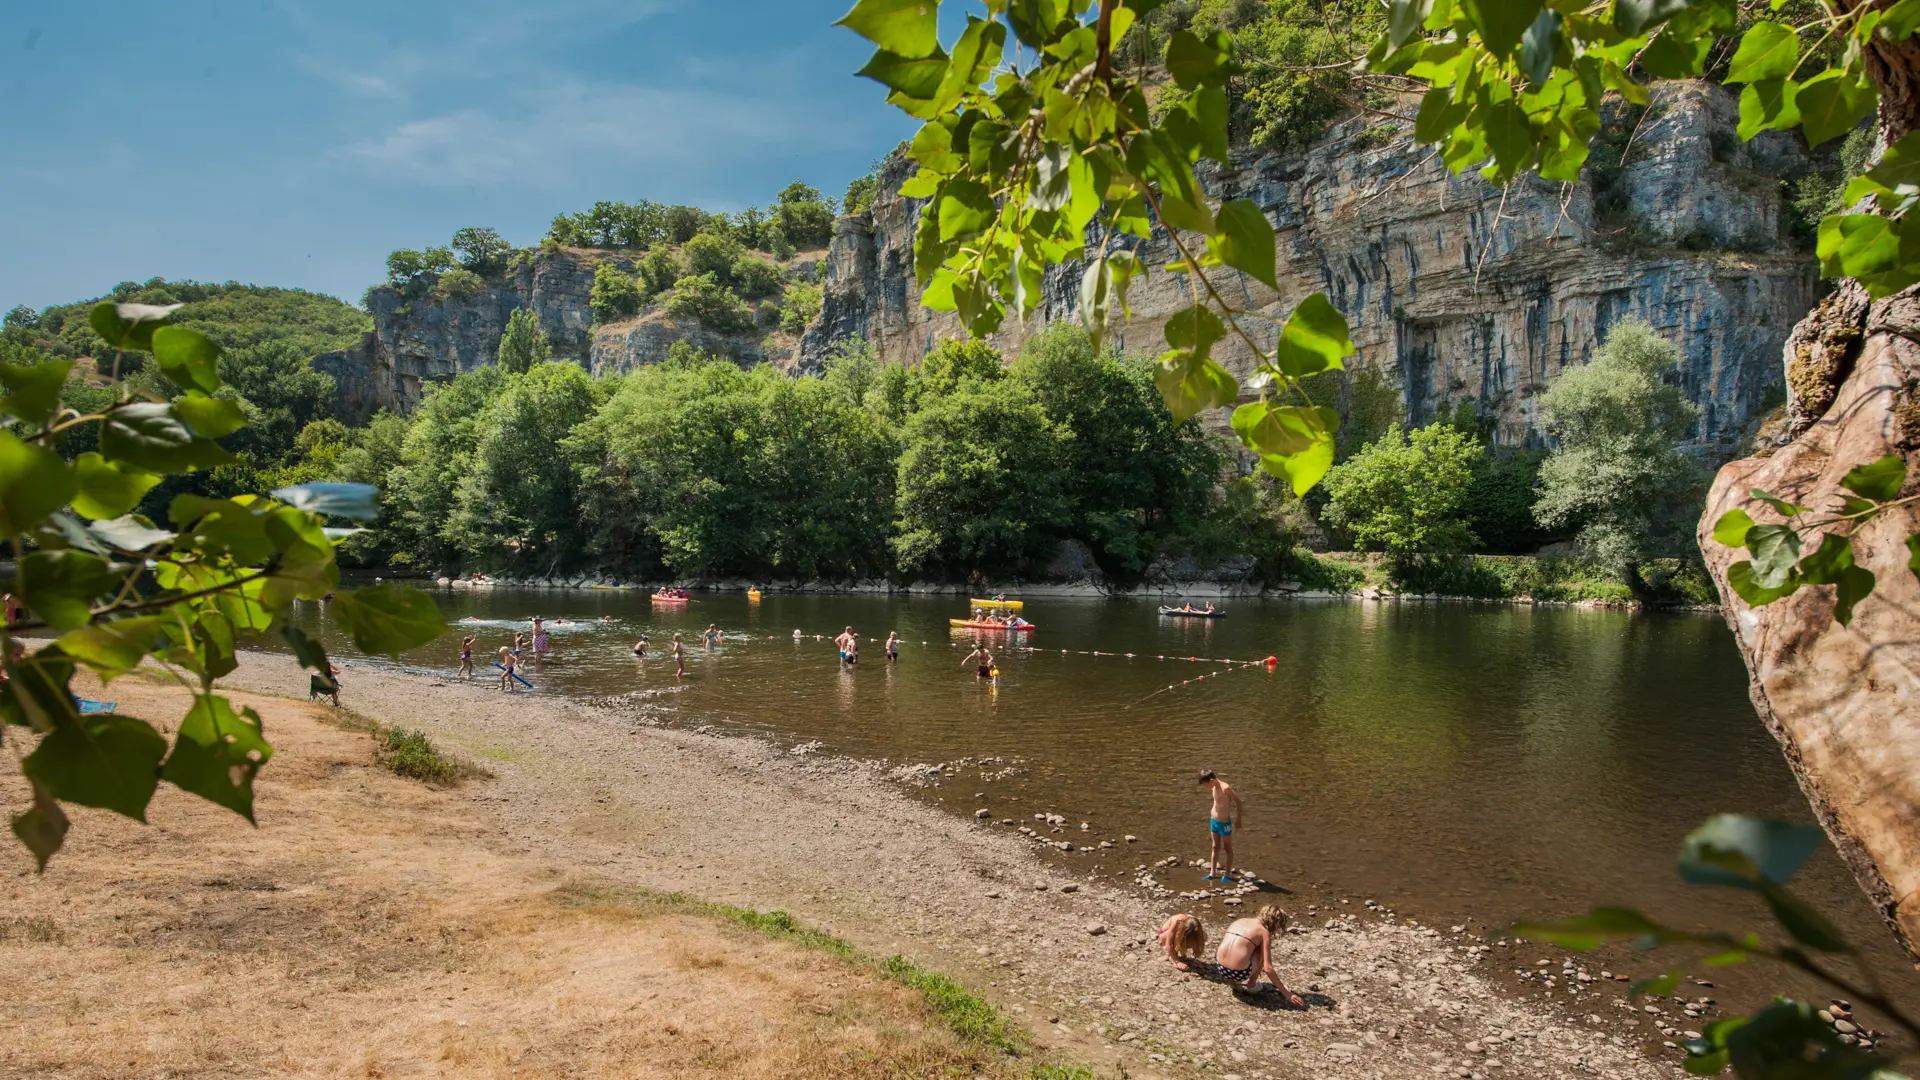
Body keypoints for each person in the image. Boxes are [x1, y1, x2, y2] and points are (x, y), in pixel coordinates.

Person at [1215, 906, 1303, 1004]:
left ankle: (1233, 981)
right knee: (1261, 951)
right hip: (1239, 973)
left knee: (1246, 946)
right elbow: (1268, 968)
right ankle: (1251, 984)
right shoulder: (1263, 932)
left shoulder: (1239, 921)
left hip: (1220, 967)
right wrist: (1287, 994)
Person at [1198, 769, 1244, 881]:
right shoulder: (1214, 786)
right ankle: (1212, 872)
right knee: (1215, 846)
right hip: (1214, 820)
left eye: (1205, 785)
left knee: (1227, 847)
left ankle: (1228, 873)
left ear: (1212, 780)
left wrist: (1238, 819)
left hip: (1224, 823)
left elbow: (1238, 801)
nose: (1205, 788)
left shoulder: (1226, 788)